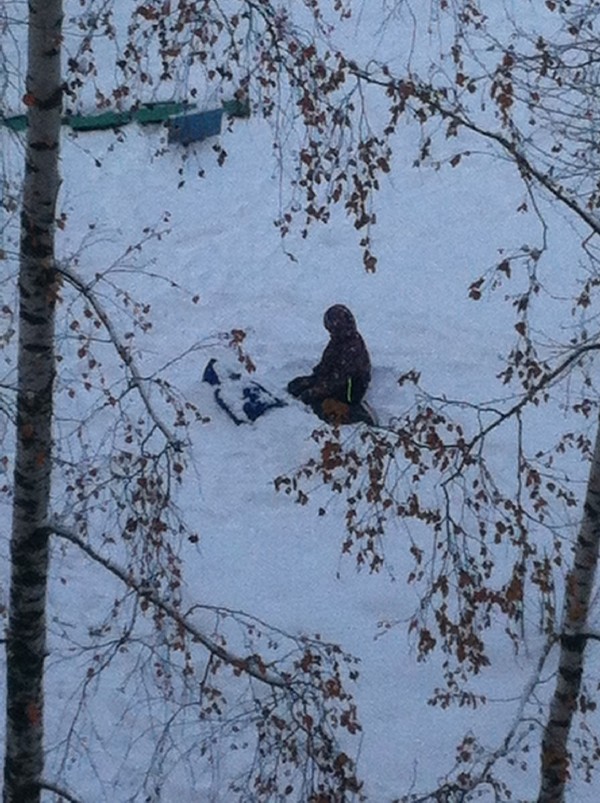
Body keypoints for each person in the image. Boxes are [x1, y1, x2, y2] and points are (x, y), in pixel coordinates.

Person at [287, 304, 374, 425]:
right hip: (332, 381)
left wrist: (317, 390)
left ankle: (356, 413)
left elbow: (338, 380)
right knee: (295, 386)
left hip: (349, 390)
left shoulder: (352, 347)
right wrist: (313, 379)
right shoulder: (338, 340)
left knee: (319, 406)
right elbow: (326, 364)